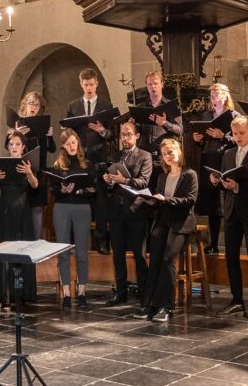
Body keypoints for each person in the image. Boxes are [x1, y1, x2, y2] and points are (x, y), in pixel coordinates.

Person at [131, 139, 197, 322]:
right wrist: (152, 200)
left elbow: (190, 200)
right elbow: (160, 202)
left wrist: (167, 200)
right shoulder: (162, 177)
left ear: (179, 152)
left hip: (181, 223)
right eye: (164, 154)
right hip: (163, 221)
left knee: (167, 258)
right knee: (155, 259)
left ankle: (166, 307)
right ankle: (149, 305)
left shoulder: (190, 175)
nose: (167, 156)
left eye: (170, 152)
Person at [212, 115, 248, 320]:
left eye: (241, 133)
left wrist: (237, 185)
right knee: (231, 258)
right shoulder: (228, 153)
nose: (238, 137)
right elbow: (225, 179)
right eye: (235, 133)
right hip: (231, 211)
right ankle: (236, 300)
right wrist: (217, 181)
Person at [0, 129, 39, 308]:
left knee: (24, 251)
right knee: (5, 251)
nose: (14, 147)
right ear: (7, 146)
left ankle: (23, 294)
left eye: (17, 144)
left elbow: (35, 185)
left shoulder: (28, 164)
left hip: (23, 212)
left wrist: (29, 173)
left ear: (23, 147)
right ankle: (5, 294)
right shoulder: (0, 165)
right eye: (11, 144)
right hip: (5, 212)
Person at [103, 121, 153, 306]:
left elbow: (144, 182)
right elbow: (109, 186)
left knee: (139, 255)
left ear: (137, 136)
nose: (125, 138)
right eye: (122, 134)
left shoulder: (145, 156)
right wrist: (109, 180)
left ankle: (143, 292)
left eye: (128, 134)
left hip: (136, 210)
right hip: (116, 211)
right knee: (117, 254)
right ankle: (121, 292)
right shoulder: (114, 156)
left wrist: (123, 179)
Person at [66, 69, 115, 254]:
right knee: (78, 199)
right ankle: (77, 242)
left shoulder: (105, 104)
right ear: (81, 84)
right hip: (79, 160)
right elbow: (69, 132)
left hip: (99, 160)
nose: (88, 87)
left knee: (101, 202)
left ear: (97, 84)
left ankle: (101, 242)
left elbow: (112, 135)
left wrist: (102, 130)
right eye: (85, 84)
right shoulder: (73, 105)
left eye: (91, 84)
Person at [51, 128, 98, 308]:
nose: (72, 146)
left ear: (78, 142)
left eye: (74, 142)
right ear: (63, 146)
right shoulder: (58, 165)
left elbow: (93, 189)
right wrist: (62, 190)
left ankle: (82, 291)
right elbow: (53, 190)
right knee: (63, 251)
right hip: (62, 207)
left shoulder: (86, 164)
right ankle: (66, 292)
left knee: (81, 252)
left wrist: (81, 190)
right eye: (68, 143)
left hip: (82, 208)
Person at [193, 83, 236, 255]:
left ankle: (228, 242)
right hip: (209, 158)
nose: (214, 100)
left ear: (225, 96)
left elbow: (239, 140)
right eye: (211, 97)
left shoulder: (233, 116)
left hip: (225, 160)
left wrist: (222, 136)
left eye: (216, 96)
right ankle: (213, 243)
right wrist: (198, 139)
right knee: (212, 203)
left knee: (222, 202)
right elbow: (201, 140)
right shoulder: (207, 115)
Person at [16, 90, 55, 239]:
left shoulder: (42, 125)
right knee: (23, 208)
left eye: (37, 105)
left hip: (40, 173)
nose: (34, 107)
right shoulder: (18, 124)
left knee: (38, 209)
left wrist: (50, 137)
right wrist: (18, 134)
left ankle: (37, 244)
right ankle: (21, 244)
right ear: (25, 104)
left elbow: (51, 149)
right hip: (22, 172)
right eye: (31, 103)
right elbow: (10, 146)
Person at [134, 71, 183, 187]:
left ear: (162, 84)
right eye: (150, 84)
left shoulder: (171, 106)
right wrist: (132, 125)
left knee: (163, 191)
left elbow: (180, 130)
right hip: (145, 157)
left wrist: (164, 123)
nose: (153, 87)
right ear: (147, 86)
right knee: (145, 191)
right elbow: (136, 133)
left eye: (155, 83)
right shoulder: (140, 107)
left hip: (164, 158)